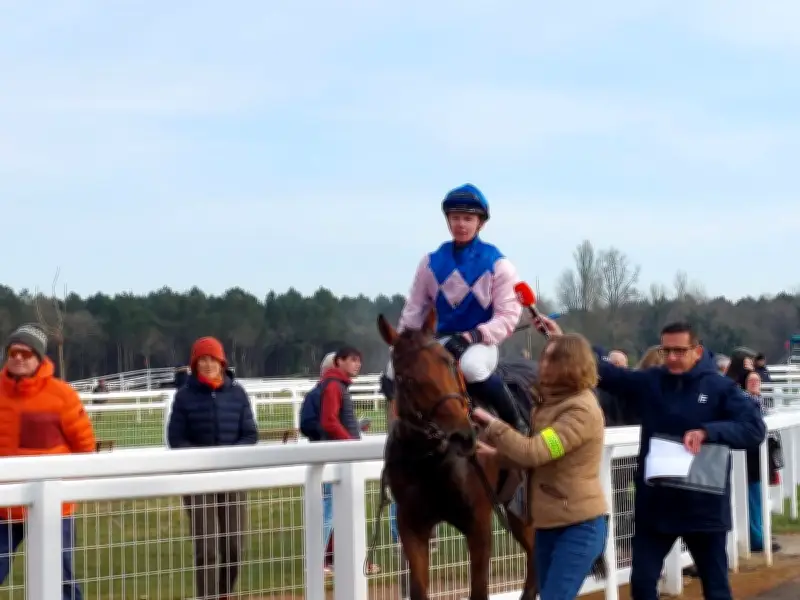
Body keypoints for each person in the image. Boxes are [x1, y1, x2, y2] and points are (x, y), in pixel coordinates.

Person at [534, 317, 765, 600]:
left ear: (697, 349)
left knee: (716, 589)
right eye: (667, 351)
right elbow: (608, 374)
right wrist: (562, 339)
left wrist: (709, 431)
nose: (672, 358)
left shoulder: (720, 388)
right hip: (656, 509)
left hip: (704, 510)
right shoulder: (652, 381)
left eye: (680, 351)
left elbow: (755, 430)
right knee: (642, 585)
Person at [473, 333, 608, 600]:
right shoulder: (547, 406)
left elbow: (534, 453)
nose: (542, 362)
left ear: (571, 364)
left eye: (551, 358)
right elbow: (536, 459)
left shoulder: (579, 412)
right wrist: (494, 456)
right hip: (547, 525)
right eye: (544, 356)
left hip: (578, 528)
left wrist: (492, 424)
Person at [385, 184, 526, 431]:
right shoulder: (430, 263)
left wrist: (473, 335)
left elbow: (507, 316)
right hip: (440, 342)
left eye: (468, 218)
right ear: (448, 220)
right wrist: (399, 347)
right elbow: (414, 310)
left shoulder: (498, 264)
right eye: (455, 218)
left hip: (481, 343)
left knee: (470, 367)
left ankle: (516, 422)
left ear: (480, 223)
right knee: (393, 369)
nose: (461, 224)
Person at [0, 324, 96, 600]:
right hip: (4, 505)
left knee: (59, 578)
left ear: (39, 359)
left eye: (26, 353)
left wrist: (70, 486)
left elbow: (84, 447)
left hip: (53, 505)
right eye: (13, 352)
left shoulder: (62, 395)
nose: (18, 358)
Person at [166, 336, 258, 600]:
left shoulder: (237, 394)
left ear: (222, 362)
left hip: (232, 480)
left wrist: (229, 459)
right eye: (202, 360)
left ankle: (224, 593)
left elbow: (250, 434)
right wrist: (202, 462)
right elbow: (177, 439)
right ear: (194, 364)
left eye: (212, 359)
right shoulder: (184, 397)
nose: (207, 365)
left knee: (234, 546)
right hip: (198, 481)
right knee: (206, 548)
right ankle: (206, 596)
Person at [726, 351, 781, 554]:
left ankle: (758, 533)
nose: (751, 372)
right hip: (745, 452)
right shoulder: (737, 395)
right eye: (747, 367)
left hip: (755, 452)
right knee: (750, 495)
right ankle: (755, 536)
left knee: (756, 494)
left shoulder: (750, 397)